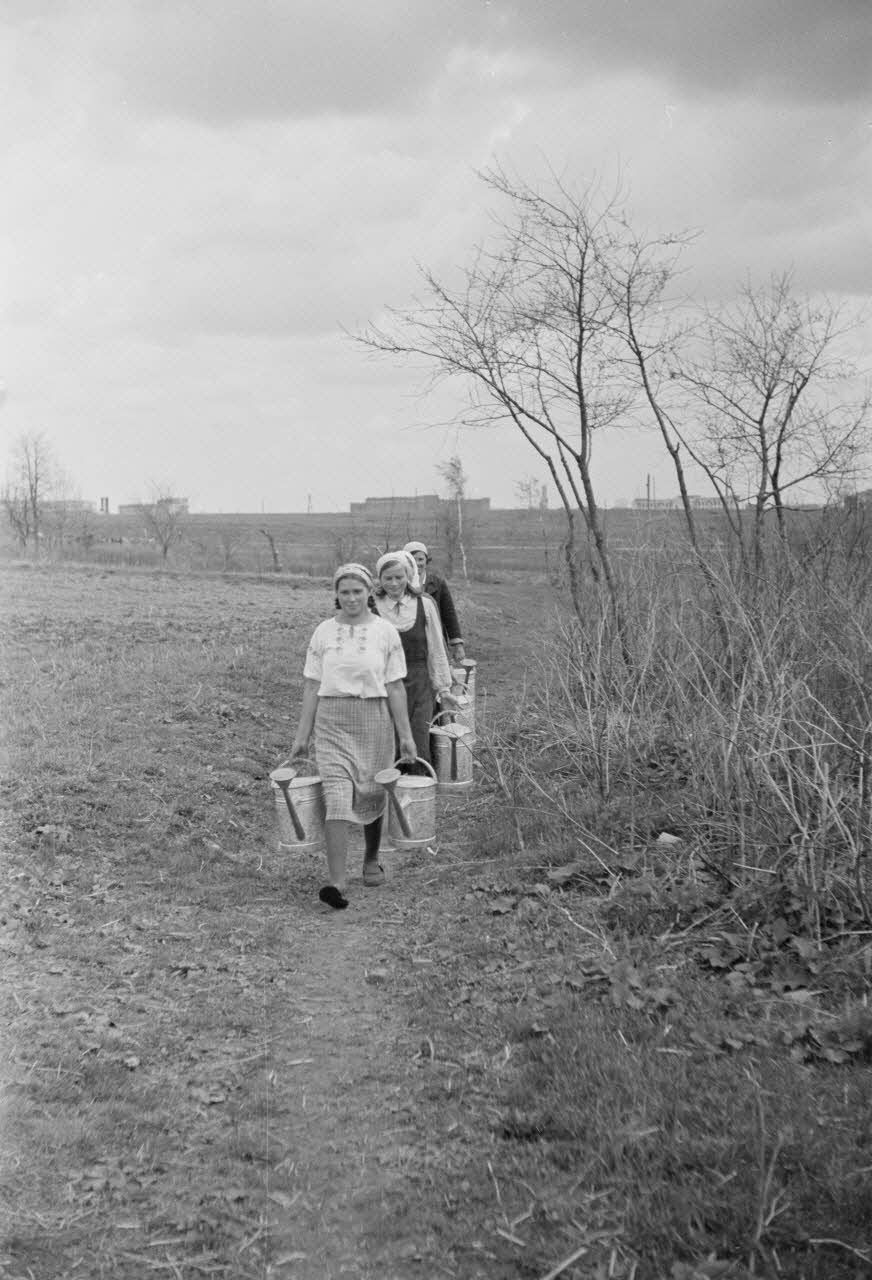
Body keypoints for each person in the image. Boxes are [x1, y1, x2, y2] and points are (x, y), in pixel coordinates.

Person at [289, 563, 417, 910]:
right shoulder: (323, 633)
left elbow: (395, 686)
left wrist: (406, 736)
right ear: (336, 595)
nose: (350, 598)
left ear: (369, 593)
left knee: (373, 790)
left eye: (357, 591)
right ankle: (336, 882)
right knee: (337, 795)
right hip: (332, 720)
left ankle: (371, 858)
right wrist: (302, 735)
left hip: (374, 718)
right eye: (344, 592)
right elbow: (312, 684)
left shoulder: (385, 632)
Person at [373, 551, 458, 769]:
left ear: (408, 576)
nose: (393, 583)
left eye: (399, 577)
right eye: (387, 578)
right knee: (389, 742)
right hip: (384, 684)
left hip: (420, 682)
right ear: (380, 579)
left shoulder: (424, 604)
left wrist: (444, 688)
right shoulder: (371, 607)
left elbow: (436, 648)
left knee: (419, 739)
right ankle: (392, 793)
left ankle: (421, 791)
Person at [403, 541, 465, 662]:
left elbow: (449, 615)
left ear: (427, 561)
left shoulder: (438, 584)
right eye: (412, 559)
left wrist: (458, 645)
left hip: (435, 640)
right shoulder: (399, 583)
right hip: (409, 644)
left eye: (421, 559)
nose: (417, 563)